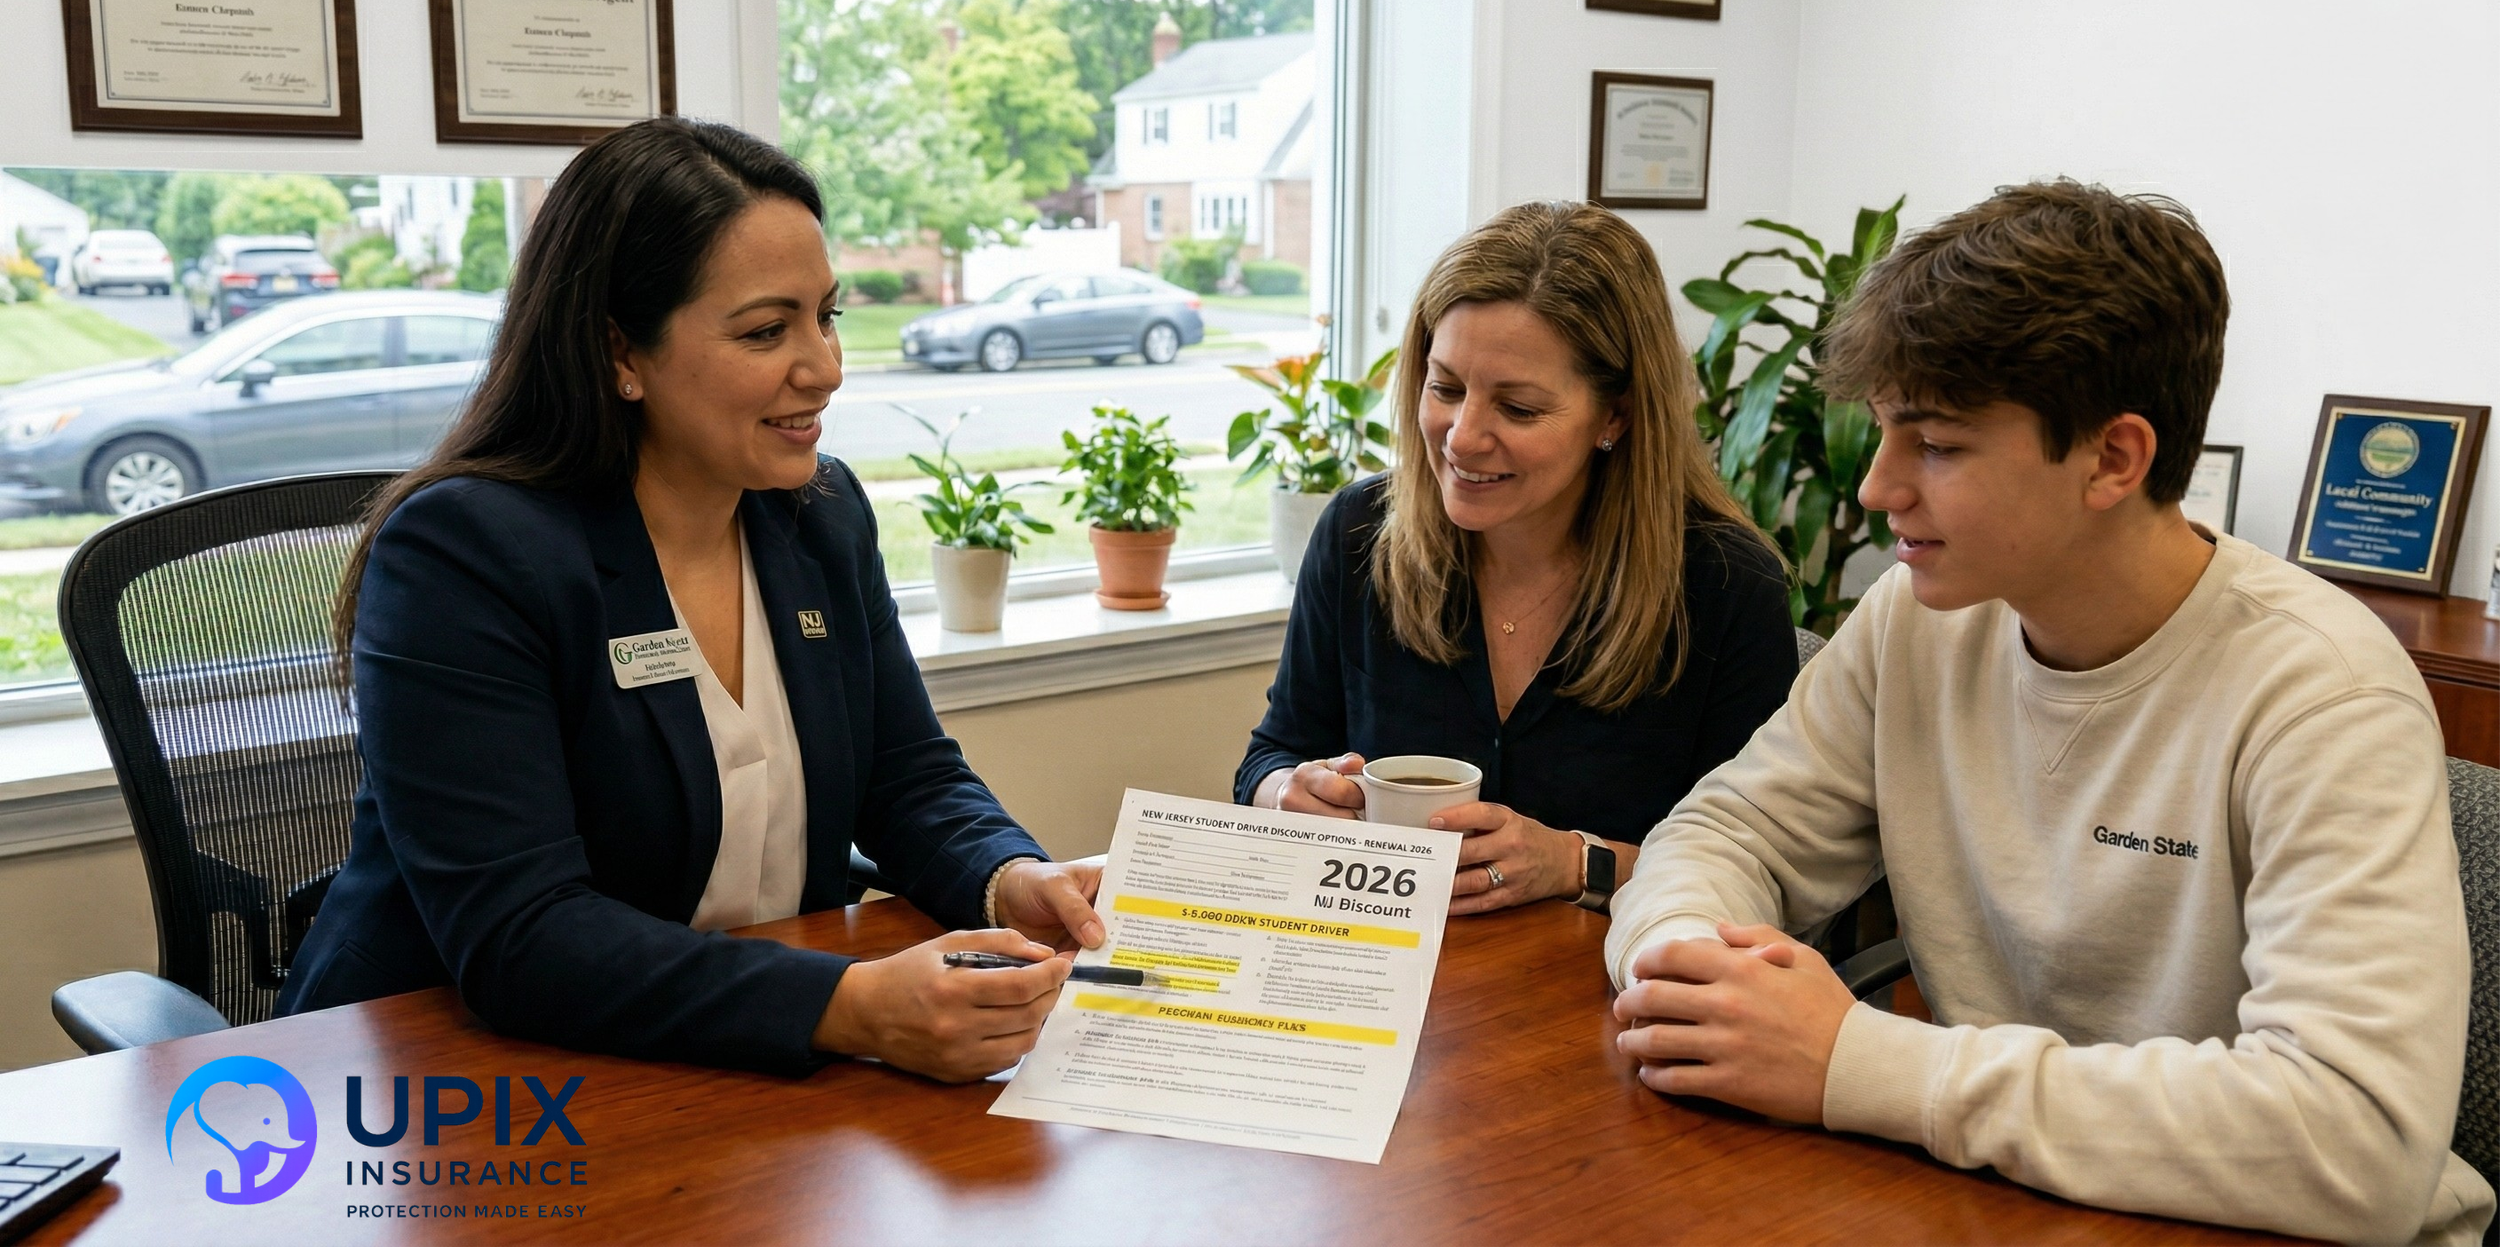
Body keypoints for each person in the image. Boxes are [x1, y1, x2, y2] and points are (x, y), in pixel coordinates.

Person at [1605, 180, 2494, 1244]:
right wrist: (1684, 962)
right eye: (1884, 430)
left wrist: (1865, 1064)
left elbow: (2358, 1140)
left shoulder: (2322, 694)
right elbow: (1727, 829)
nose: (1880, 486)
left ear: (2113, 458)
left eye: (1935, 444)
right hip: (2018, 1197)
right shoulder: (1916, 619)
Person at [278, 118, 1103, 1083]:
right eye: (766, 330)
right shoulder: (465, 553)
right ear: (618, 350)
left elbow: (907, 777)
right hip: (449, 1084)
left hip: (735, 1065)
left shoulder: (818, 516)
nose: (825, 367)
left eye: (826, 316)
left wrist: (1009, 881)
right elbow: (522, 936)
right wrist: (851, 1006)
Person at [1235, 202, 1796, 915]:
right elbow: (1271, 753)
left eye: (1519, 409)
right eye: (1445, 389)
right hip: (1384, 983)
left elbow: (1759, 868)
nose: (1462, 438)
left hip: (1607, 996)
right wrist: (1287, 790)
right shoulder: (1358, 532)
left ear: (1616, 416)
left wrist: (1574, 862)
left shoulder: (1724, 584)